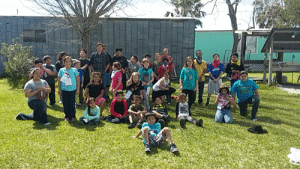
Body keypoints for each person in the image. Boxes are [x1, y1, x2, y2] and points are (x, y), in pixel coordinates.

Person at [57, 56, 80, 121]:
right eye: (66, 61)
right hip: (64, 89)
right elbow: (59, 80)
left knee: (72, 103)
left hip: (72, 89)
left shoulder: (74, 70)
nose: (68, 63)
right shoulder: (61, 70)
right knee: (65, 103)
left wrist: (78, 88)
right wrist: (59, 89)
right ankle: (67, 116)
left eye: (69, 61)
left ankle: (72, 116)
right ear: (63, 62)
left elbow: (77, 80)